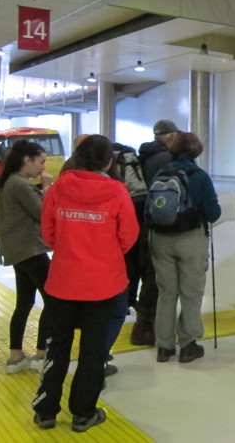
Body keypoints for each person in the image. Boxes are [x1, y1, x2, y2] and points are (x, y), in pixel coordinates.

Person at [32, 135, 138, 432]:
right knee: (93, 351)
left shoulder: (58, 188)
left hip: (63, 282)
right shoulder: (117, 192)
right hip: (103, 284)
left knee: (57, 347)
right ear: (108, 161)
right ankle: (83, 413)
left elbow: (48, 234)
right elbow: (128, 237)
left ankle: (46, 410)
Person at [150, 132, 221, 364]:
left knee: (166, 293)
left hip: (160, 239)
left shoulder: (161, 174)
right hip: (190, 239)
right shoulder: (199, 176)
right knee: (190, 293)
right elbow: (214, 213)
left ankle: (164, 347)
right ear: (196, 151)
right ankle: (188, 345)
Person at [0, 139, 53, 374]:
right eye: (41, 162)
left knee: (25, 303)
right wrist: (47, 186)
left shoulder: (9, 182)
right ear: (26, 160)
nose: (42, 168)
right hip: (31, 250)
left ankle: (16, 357)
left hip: (16, 251)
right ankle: (41, 354)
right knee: (52, 301)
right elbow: (43, 213)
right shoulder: (21, 185)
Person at [131, 119, 180, 345]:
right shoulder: (165, 159)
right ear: (169, 136)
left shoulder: (144, 154)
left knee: (148, 274)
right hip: (156, 224)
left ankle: (145, 322)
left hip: (140, 223)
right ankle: (144, 326)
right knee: (155, 276)